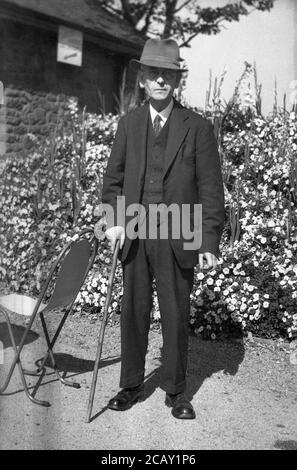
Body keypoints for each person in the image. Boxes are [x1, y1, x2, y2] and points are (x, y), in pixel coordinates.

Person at [99, 38, 225, 419]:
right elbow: (112, 181)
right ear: (142, 79)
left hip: (180, 228)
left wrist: (207, 240)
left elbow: (210, 188)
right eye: (153, 73)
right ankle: (131, 384)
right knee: (133, 310)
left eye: (167, 74)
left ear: (177, 80)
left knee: (175, 311)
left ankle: (175, 391)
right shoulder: (129, 124)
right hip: (135, 228)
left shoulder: (198, 127)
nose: (160, 81)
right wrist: (113, 222)